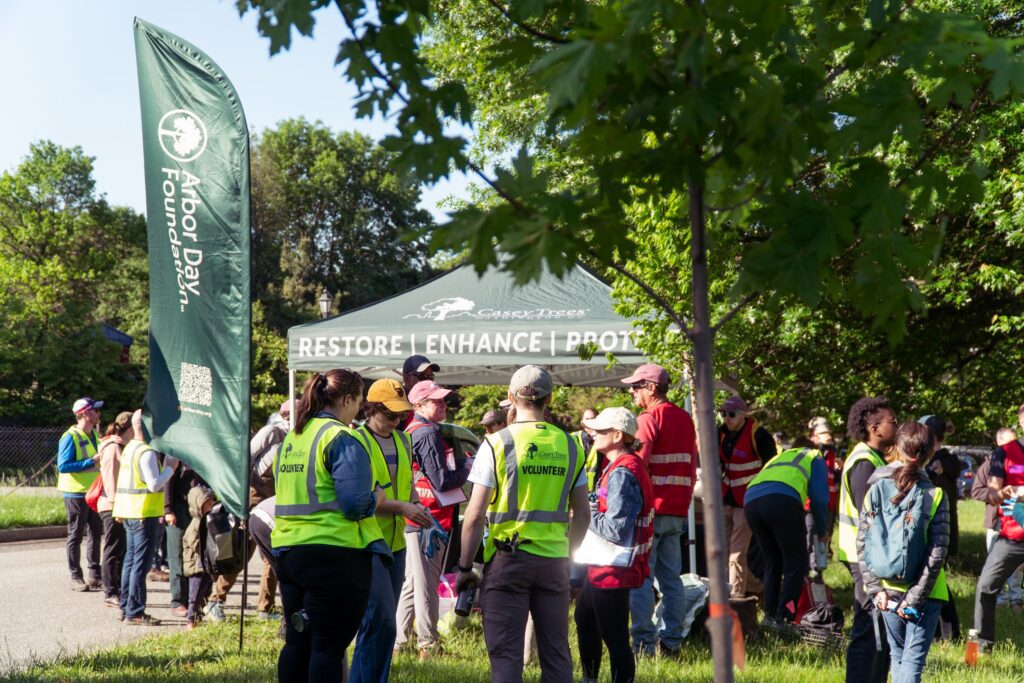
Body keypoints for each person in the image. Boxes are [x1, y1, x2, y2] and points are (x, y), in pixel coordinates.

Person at [456, 365, 591, 683]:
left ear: (510, 397)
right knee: (557, 657)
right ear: (550, 398)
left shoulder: (496, 444)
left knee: (506, 656)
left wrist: (464, 568)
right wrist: (568, 560)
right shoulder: (571, 446)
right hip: (554, 562)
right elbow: (583, 515)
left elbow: (474, 516)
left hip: (507, 561)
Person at [273, 369, 390, 683]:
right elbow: (354, 505)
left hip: (289, 552)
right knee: (328, 647)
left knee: (298, 642)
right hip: (335, 555)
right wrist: (377, 498)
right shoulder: (341, 437)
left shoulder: (293, 437)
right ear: (348, 399)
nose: (360, 410)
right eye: (359, 402)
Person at [351, 379, 433, 683]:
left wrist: (419, 510)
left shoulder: (403, 440)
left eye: (401, 416)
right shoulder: (357, 441)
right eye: (390, 415)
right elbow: (370, 499)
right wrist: (405, 509)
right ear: (372, 409)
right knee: (381, 621)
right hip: (368, 543)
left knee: (382, 625)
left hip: (397, 543)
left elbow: (407, 485)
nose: (397, 421)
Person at [858, 421, 949, 683]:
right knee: (911, 661)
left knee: (898, 657)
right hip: (926, 592)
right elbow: (937, 551)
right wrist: (915, 597)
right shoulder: (935, 494)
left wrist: (876, 589)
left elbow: (863, 542)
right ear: (930, 455)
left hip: (886, 588)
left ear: (896, 448)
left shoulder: (874, 488)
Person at [620, 363, 698, 656]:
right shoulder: (685, 419)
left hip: (649, 513)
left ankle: (642, 646)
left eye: (636, 386)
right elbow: (691, 466)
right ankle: (672, 643)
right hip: (677, 510)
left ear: (651, 388)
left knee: (640, 578)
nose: (631, 391)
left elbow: (636, 466)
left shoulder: (647, 418)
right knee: (671, 580)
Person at [575, 407, 654, 683]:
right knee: (585, 619)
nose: (593, 434)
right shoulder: (619, 465)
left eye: (600, 430)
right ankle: (589, 679)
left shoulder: (624, 471)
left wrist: (584, 512)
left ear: (618, 435)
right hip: (605, 565)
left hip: (613, 568)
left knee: (615, 637)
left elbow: (616, 529)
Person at [395, 379, 469, 659]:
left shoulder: (412, 430)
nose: (443, 405)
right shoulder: (426, 433)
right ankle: (429, 644)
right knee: (426, 584)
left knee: (413, 583)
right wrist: (466, 468)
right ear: (418, 405)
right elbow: (441, 480)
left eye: (443, 400)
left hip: (419, 517)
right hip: (430, 519)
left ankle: (399, 642)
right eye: (435, 401)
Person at [204, 401, 292, 623]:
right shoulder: (272, 431)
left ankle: (265, 607)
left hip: (274, 499)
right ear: (287, 414)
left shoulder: (296, 436)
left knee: (272, 557)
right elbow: (244, 460)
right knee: (240, 550)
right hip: (253, 498)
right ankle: (215, 601)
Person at [837, 396, 897, 683]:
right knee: (868, 629)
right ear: (874, 428)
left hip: (871, 557)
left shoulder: (873, 458)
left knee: (880, 631)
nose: (896, 426)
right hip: (863, 559)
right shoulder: (863, 462)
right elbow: (871, 517)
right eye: (892, 422)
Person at [744, 445, 830, 622]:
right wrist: (822, 531)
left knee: (772, 561)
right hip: (781, 499)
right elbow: (820, 499)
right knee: (796, 562)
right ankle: (785, 618)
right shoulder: (816, 457)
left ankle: (769, 616)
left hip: (751, 500)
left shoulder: (780, 457)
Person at [113, 409, 177, 625]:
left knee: (130, 563)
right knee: (139, 565)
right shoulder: (146, 452)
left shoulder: (130, 448)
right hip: (144, 514)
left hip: (129, 513)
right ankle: (135, 612)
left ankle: (126, 608)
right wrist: (170, 469)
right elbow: (153, 484)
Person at [972, 403, 1024, 650]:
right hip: (1013, 536)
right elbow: (991, 495)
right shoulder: (1004, 453)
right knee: (985, 586)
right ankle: (983, 646)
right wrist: (1003, 492)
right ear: (1021, 422)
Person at [717, 394, 775, 600]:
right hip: (727, 499)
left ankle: (736, 598)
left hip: (749, 500)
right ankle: (759, 588)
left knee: (737, 553)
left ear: (743, 414)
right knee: (724, 554)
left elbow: (771, 467)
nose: (726, 418)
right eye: (723, 414)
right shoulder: (721, 434)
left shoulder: (759, 435)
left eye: (731, 414)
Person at [918, 415, 960, 640]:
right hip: (936, 532)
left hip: (938, 532)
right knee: (933, 582)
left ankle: (948, 633)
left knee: (935, 583)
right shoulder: (933, 460)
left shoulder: (944, 461)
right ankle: (943, 633)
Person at [57, 397, 104, 592]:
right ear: (85, 413)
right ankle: (76, 576)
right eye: (95, 411)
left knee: (95, 533)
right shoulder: (70, 436)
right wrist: (90, 462)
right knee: (75, 534)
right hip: (75, 493)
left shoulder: (94, 434)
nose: (98, 414)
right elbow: (63, 466)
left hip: (93, 492)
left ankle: (94, 574)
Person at [970, 454, 1023, 610]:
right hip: (996, 522)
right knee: (996, 562)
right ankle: (999, 600)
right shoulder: (989, 466)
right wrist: (996, 495)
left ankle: (1017, 601)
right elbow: (976, 491)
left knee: (1017, 564)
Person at [96, 411, 132, 607]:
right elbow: (110, 481)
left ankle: (116, 588)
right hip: (112, 507)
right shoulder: (112, 448)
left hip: (120, 506)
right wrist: (117, 506)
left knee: (121, 549)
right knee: (113, 549)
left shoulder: (121, 446)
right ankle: (110, 592)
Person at [164, 462, 204, 618]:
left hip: (197, 508)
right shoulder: (175, 453)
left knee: (195, 554)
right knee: (177, 557)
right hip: (178, 508)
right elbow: (167, 482)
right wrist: (168, 509)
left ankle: (193, 599)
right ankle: (178, 601)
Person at [182, 484, 216, 630]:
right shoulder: (195, 524)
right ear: (197, 506)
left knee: (206, 591)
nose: (211, 506)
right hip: (196, 565)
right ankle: (191, 619)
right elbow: (195, 543)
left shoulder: (208, 521)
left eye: (211, 503)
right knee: (194, 595)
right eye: (207, 504)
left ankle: (199, 616)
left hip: (206, 565)